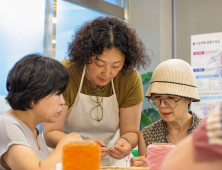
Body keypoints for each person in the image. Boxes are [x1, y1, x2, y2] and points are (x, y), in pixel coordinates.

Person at [43, 16, 150, 166]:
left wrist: (125, 143)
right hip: (65, 157)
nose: (107, 73)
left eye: (116, 65)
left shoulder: (130, 79)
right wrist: (81, 145)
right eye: (100, 64)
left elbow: (131, 132)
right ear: (85, 55)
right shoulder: (65, 73)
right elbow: (51, 132)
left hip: (107, 160)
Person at [0, 54, 83, 170]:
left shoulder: (31, 128)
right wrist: (65, 143)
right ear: (34, 98)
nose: (62, 102)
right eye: (58, 94)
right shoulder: (6, 125)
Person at [130, 59, 202, 167]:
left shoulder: (209, 132)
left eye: (171, 98)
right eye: (158, 98)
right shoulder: (148, 135)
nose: (162, 105)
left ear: (189, 98)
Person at [161, 105, 222, 170]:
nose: (162, 105)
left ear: (188, 100)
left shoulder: (203, 125)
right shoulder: (149, 132)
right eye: (157, 97)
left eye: (171, 97)